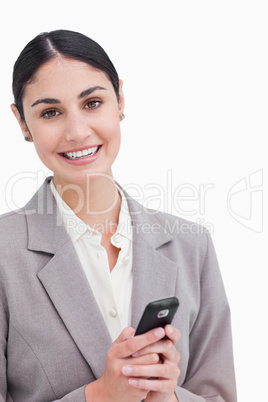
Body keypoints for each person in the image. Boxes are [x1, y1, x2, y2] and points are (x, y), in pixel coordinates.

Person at [0, 30, 237, 402]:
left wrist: (169, 397)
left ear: (120, 99)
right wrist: (100, 396)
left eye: (92, 103)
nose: (77, 132)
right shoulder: (4, 254)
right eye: (50, 112)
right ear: (22, 123)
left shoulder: (192, 246)